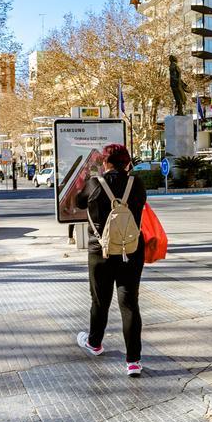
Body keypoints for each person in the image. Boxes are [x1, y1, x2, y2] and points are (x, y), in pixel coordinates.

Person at [74, 144, 148, 377]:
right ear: (127, 163)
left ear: (105, 163)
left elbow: (78, 203)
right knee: (129, 304)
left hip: (100, 253)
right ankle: (133, 361)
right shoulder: (136, 184)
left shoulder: (94, 184)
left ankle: (95, 343)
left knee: (99, 300)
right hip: (131, 250)